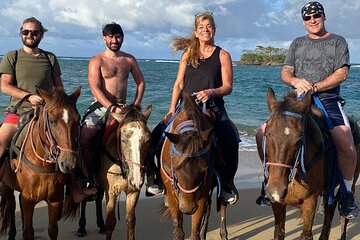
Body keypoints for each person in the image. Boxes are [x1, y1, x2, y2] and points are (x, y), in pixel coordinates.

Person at [255, 1, 359, 219]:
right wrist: (294, 80)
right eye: (307, 18)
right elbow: (285, 72)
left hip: (327, 99)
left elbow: (342, 73)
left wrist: (316, 86)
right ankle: (269, 181)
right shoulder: (297, 43)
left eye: (316, 16)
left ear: (323, 16)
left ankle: (347, 195)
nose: (312, 20)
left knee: (347, 144)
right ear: (304, 21)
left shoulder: (338, 41)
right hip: (297, 99)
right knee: (262, 132)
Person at [146, 12, 240, 204]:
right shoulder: (188, 53)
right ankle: (155, 178)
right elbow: (179, 84)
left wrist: (212, 92)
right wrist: (172, 109)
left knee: (230, 139)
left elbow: (228, 87)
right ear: (196, 32)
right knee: (155, 137)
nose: (206, 30)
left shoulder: (222, 55)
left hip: (212, 106)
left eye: (209, 26)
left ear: (214, 29)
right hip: (186, 106)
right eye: (201, 27)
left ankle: (227, 185)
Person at [80, 22, 145, 188]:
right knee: (86, 137)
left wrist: (136, 105)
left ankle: (150, 176)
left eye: (118, 36)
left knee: (143, 134)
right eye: (111, 37)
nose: (114, 40)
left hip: (124, 106)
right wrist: (110, 106)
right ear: (104, 39)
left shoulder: (129, 59)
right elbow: (95, 87)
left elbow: (141, 83)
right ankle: (89, 176)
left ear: (122, 38)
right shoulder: (97, 60)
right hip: (101, 106)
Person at [0, 17, 64, 179]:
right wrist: (29, 97)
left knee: (71, 144)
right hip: (19, 112)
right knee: (1, 143)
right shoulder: (12, 56)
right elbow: (5, 86)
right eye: (26, 32)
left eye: (34, 32)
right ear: (21, 33)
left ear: (41, 35)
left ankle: (75, 189)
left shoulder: (50, 58)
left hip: (47, 114)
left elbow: (59, 88)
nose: (29, 35)